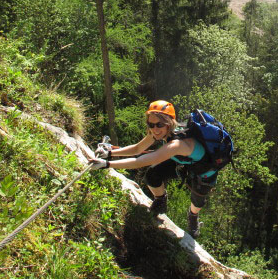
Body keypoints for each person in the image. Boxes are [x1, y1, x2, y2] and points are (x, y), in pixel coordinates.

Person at [89, 100, 218, 238]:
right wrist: (109, 153)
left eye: (159, 124)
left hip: (204, 170)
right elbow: (138, 148)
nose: (155, 129)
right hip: (182, 160)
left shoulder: (177, 144)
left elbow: (140, 161)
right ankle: (161, 200)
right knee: (152, 175)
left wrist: (106, 164)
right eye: (151, 124)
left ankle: (193, 217)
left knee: (197, 200)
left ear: (169, 123)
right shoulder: (160, 132)